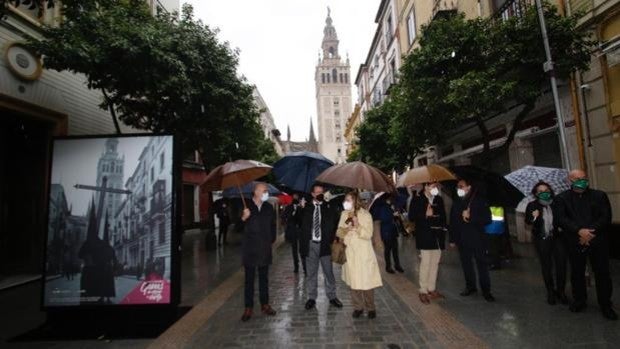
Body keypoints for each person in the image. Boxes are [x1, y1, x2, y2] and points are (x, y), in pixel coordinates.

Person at [556, 169, 617, 320]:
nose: (582, 181)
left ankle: (606, 305)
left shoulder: (599, 195)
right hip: (575, 241)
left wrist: (589, 232)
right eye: (577, 178)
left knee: (602, 274)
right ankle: (580, 301)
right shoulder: (562, 199)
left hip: (598, 241)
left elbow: (606, 217)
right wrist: (579, 231)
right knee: (577, 273)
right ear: (570, 181)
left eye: (584, 178)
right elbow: (561, 219)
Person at [336, 191, 382, 319]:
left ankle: (371, 307)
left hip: (363, 252)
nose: (346, 202)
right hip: (350, 252)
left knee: (366, 282)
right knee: (354, 282)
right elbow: (339, 232)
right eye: (345, 199)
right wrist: (346, 229)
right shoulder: (344, 214)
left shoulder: (366, 214)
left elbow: (368, 234)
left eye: (349, 200)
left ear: (355, 201)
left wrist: (357, 226)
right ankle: (358, 307)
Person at [449, 178, 495, 302]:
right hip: (462, 240)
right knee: (466, 264)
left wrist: (471, 217)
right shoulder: (456, 202)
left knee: (482, 265)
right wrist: (452, 239)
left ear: (469, 187)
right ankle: (470, 287)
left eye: (461, 186)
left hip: (478, 239)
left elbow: (488, 219)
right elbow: (452, 222)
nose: (459, 189)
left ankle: (486, 291)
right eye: (457, 187)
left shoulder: (480, 200)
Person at [299, 184, 343, 310]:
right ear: (312, 194)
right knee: (311, 273)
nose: (320, 194)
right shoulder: (305, 207)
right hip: (310, 244)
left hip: (324, 245)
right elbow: (297, 221)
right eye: (317, 192)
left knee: (328, 272)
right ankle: (311, 298)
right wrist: (300, 208)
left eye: (321, 192)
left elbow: (335, 221)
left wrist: (332, 237)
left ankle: (332, 296)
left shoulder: (328, 207)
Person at [525, 181, 568, 305]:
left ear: (550, 191)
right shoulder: (532, 205)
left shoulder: (557, 203)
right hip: (542, 238)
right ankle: (550, 291)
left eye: (546, 190)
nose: (544, 193)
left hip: (558, 237)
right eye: (541, 191)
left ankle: (561, 291)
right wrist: (535, 217)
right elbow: (528, 222)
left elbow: (563, 218)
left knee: (561, 264)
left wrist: (561, 226)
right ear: (536, 193)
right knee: (546, 266)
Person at [240, 183, 277, 322]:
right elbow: (237, 226)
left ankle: (265, 304)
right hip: (250, 249)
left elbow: (273, 225)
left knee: (264, 278)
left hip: (264, 248)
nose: (266, 192)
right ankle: (248, 307)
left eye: (267, 190)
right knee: (249, 280)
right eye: (264, 190)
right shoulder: (245, 205)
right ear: (255, 192)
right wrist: (243, 217)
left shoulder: (268, 207)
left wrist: (271, 240)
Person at [409, 182, 447, 304]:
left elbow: (443, 217)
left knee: (435, 263)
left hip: (437, 236)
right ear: (426, 187)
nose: (435, 188)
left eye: (436, 186)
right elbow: (411, 217)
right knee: (425, 263)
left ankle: (432, 289)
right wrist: (425, 214)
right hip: (425, 236)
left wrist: (443, 229)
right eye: (433, 186)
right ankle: (423, 291)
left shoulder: (439, 199)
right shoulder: (417, 199)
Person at [370, 193, 404, 274]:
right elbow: (383, 218)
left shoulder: (391, 205)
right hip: (386, 231)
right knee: (388, 249)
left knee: (395, 249)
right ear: (387, 198)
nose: (392, 199)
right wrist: (393, 215)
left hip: (393, 230)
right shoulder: (382, 206)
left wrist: (395, 214)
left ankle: (397, 265)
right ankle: (388, 267)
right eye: (390, 197)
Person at [283, 193, 306, 274]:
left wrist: (302, 208)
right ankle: (296, 266)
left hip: (300, 231)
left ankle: (304, 267)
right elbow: (284, 217)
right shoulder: (289, 207)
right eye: (294, 196)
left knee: (302, 249)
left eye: (297, 196)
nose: (295, 197)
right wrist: (292, 214)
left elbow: (304, 219)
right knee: (294, 250)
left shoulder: (302, 207)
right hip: (292, 231)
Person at [485, 206, 506, 270]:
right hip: (499, 228)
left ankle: (494, 264)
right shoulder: (500, 205)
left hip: (491, 228)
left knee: (492, 247)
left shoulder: (490, 206)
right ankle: (497, 262)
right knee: (497, 246)